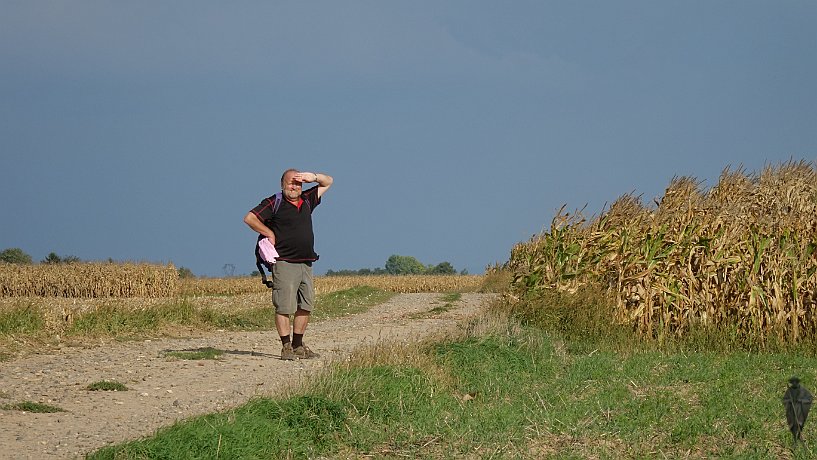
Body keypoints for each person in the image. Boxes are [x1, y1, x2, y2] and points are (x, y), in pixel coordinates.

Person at [244, 169, 333, 360]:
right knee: (284, 307)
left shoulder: (308, 199)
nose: (294, 187)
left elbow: (328, 182)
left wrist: (313, 178)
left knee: (306, 305)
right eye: (291, 183)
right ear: (282, 185)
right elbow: (250, 218)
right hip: (283, 262)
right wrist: (269, 233)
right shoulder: (273, 202)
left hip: (306, 262)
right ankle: (286, 347)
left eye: (298, 184)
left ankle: (298, 345)